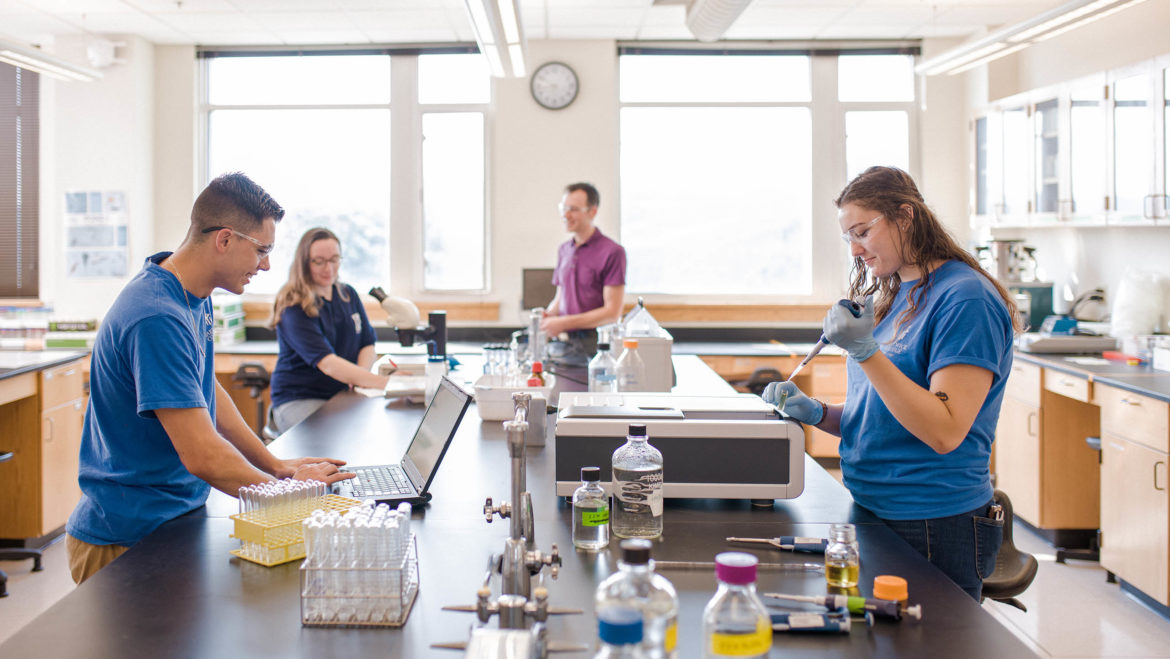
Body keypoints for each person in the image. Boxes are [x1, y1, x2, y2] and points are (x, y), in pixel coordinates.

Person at [65, 173, 354, 585]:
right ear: (224, 239)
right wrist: (291, 494)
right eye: (261, 250)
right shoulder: (156, 316)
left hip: (169, 517)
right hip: (125, 536)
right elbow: (203, 455)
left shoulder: (191, 297)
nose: (267, 264)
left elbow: (205, 391)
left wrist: (275, 465)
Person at [764, 166, 1022, 601]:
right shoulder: (896, 294)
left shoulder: (965, 300)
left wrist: (866, 352)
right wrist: (816, 413)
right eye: (848, 237)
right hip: (872, 506)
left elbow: (943, 429)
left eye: (863, 231)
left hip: (934, 520)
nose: (856, 250)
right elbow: (883, 416)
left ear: (905, 216)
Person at [268, 227, 388, 434]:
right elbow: (329, 364)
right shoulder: (293, 305)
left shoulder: (347, 294)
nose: (328, 268)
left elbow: (367, 344)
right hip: (301, 398)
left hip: (342, 393)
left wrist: (359, 378)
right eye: (319, 261)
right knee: (332, 443)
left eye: (334, 259)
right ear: (304, 263)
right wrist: (386, 383)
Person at [541, 182, 626, 365]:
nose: (566, 215)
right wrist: (547, 316)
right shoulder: (564, 250)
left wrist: (563, 323)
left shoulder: (613, 252)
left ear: (592, 211)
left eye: (573, 209)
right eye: (563, 208)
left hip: (598, 348)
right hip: (565, 346)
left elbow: (612, 313)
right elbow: (560, 297)